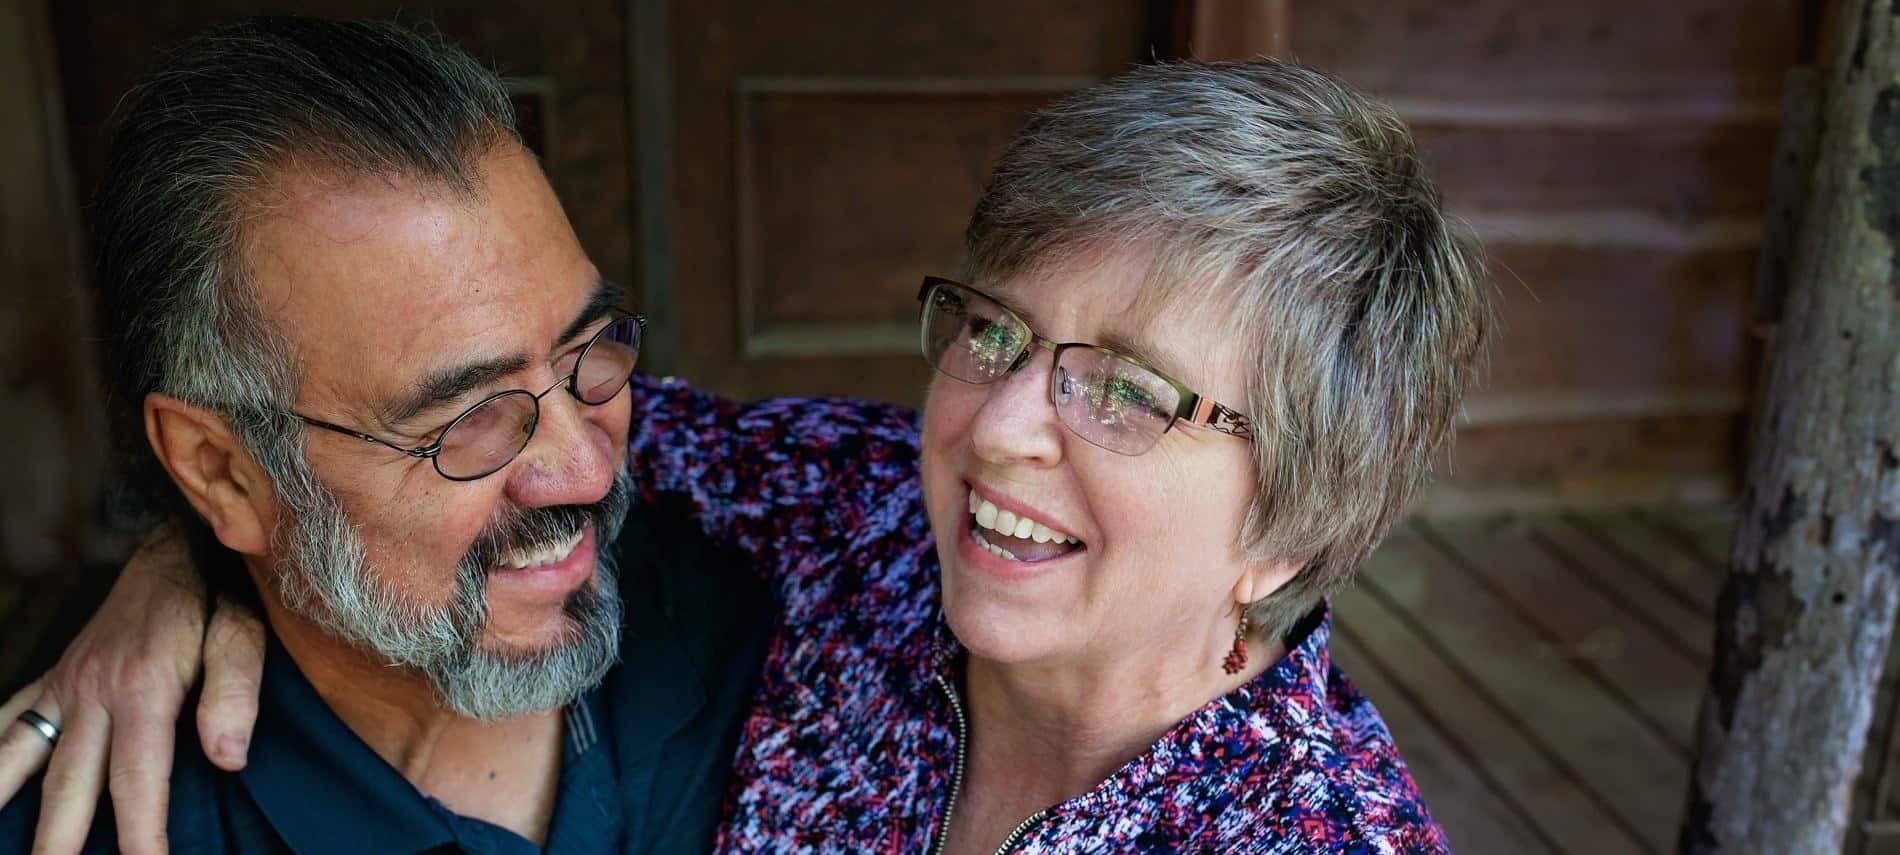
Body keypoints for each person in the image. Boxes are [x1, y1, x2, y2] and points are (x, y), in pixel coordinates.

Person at [4, 35, 1489, 854]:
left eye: (1137, 393)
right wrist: (198, 550)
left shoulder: (1313, 831)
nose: (997, 429)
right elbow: (523, 457)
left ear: (1297, 520)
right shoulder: (861, 525)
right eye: (995, 333)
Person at [0, 17, 771, 853]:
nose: (585, 469)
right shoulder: (92, 831)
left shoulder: (780, 619)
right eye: (467, 415)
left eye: (586, 350)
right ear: (221, 470)